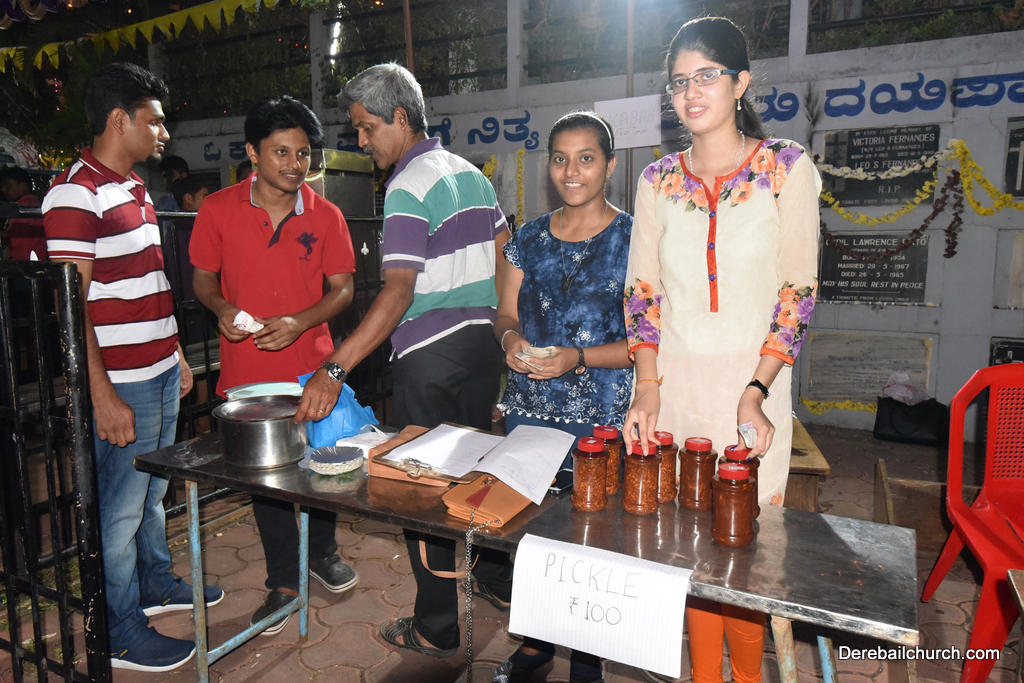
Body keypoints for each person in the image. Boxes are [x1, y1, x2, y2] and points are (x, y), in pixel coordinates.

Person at [623, 18, 821, 683]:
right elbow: (642, 294)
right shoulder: (657, 180)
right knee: (689, 548)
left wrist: (758, 390)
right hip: (673, 393)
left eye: (707, 75)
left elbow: (798, 291)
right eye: (679, 80)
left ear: (740, 83)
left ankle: (749, 674)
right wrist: (646, 387)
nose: (691, 91)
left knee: (745, 545)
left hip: (752, 396)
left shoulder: (786, 167)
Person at [295, 62, 512, 658]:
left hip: (430, 354)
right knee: (476, 474)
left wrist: (335, 367)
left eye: (367, 128)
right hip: (482, 347)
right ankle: (495, 580)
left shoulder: (407, 185)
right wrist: (502, 329)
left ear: (399, 117)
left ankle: (437, 625)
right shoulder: (470, 174)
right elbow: (504, 254)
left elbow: (397, 291)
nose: (362, 141)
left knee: (424, 491)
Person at [42, 62, 223, 673]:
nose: (164, 132)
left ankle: (153, 583)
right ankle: (117, 631)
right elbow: (70, 306)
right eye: (155, 120)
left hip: (158, 369)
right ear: (120, 119)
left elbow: (150, 283)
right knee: (118, 509)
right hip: (122, 381)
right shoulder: (77, 192)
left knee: (150, 492)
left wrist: (176, 354)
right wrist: (101, 394)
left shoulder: (135, 187)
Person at [190, 95, 359, 635]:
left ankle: (324, 551)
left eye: (303, 153)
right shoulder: (217, 209)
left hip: (312, 370)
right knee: (267, 481)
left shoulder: (327, 215)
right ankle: (284, 580)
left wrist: (300, 321)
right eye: (281, 152)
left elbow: (343, 289)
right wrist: (221, 309)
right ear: (252, 152)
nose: (294, 164)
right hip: (248, 374)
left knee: (322, 465)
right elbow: (203, 278)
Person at [492, 111, 632, 683]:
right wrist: (510, 341)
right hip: (529, 412)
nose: (571, 171)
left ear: (610, 165)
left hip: (602, 417)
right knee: (531, 535)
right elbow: (504, 314)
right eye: (560, 159)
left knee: (592, 542)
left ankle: (586, 660)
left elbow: (648, 343)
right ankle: (535, 646)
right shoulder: (526, 240)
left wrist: (577, 357)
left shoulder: (635, 240)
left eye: (586, 158)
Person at [1, 165, 46, 260]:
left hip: (24, 263)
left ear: (23, 186)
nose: (3, 189)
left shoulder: (24, 206)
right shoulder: (34, 203)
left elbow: (12, 238)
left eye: (8, 185)